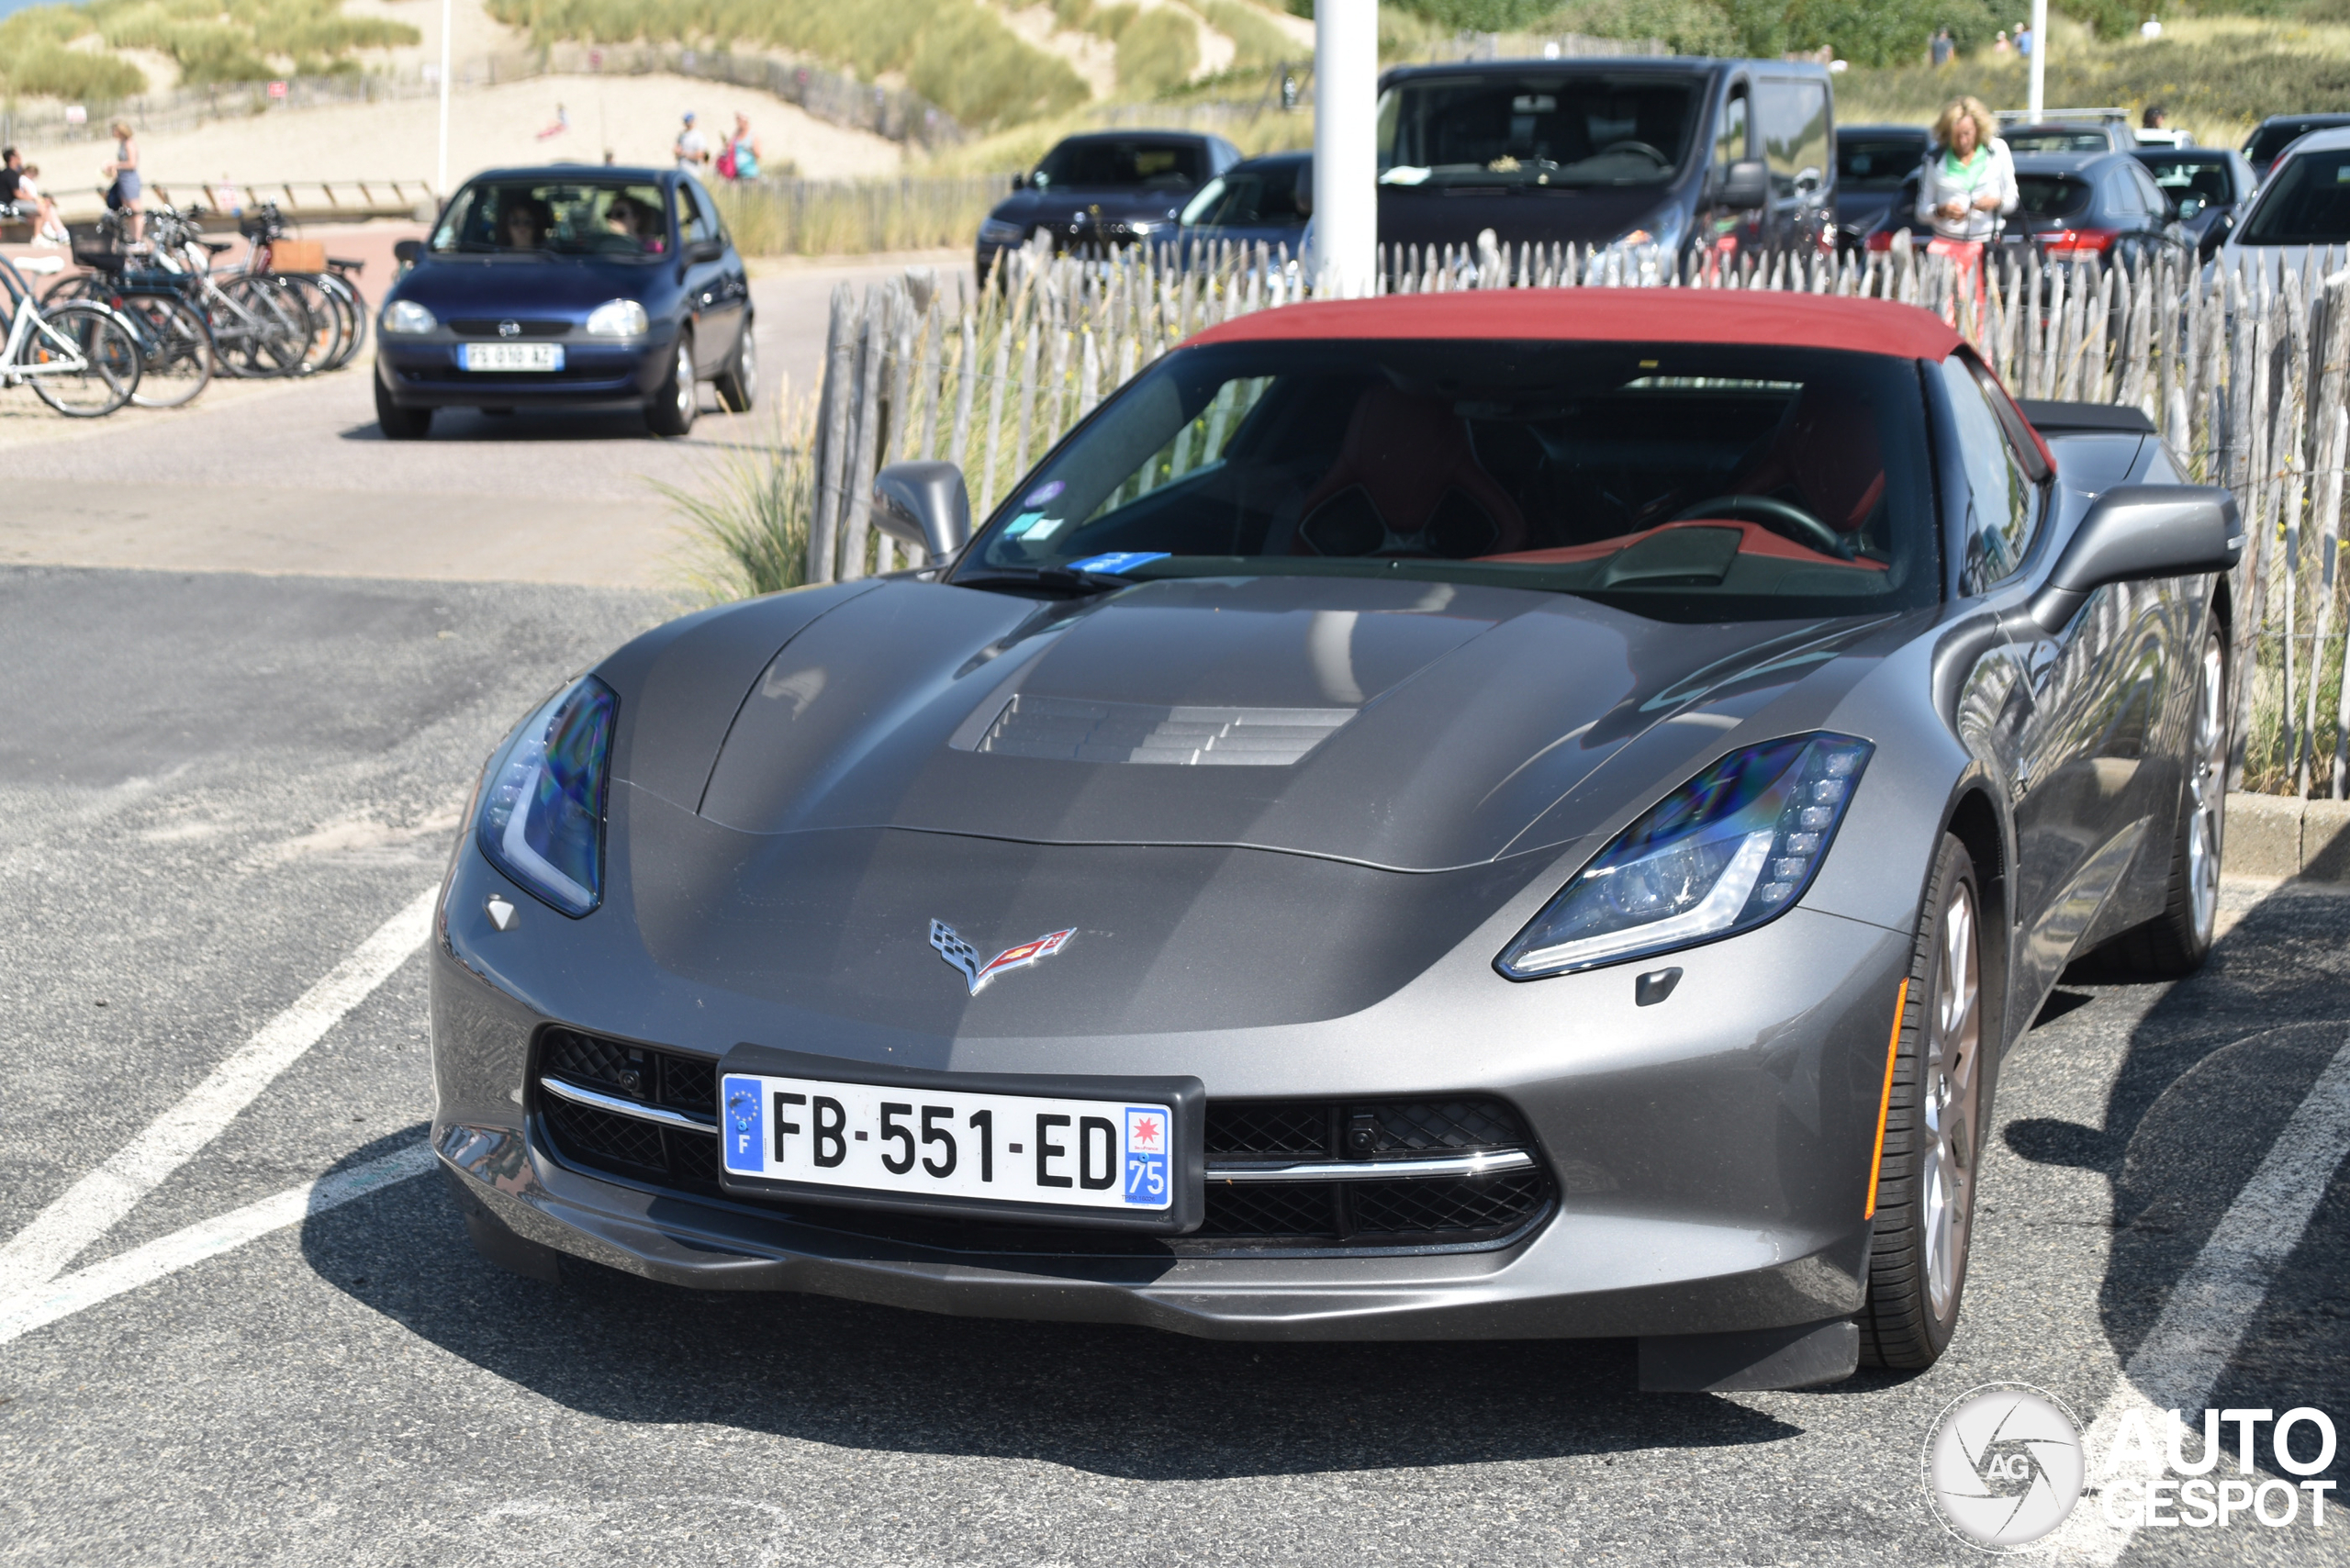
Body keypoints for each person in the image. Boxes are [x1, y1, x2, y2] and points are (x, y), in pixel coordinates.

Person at [1919, 95, 2017, 321]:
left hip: (1984, 246)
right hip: (1946, 247)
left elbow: (2012, 201)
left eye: (1968, 134)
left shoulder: (1998, 152)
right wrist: (1940, 211)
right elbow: (1921, 212)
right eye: (1957, 136)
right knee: (1946, 315)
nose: (1963, 141)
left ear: (1979, 130)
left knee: (1984, 314)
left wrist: (1996, 202)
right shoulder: (1934, 159)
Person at [102, 118, 140, 243]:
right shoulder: (122, 143)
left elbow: (132, 164)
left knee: (136, 210)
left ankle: (137, 238)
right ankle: (132, 237)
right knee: (127, 210)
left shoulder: (129, 143)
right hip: (122, 179)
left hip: (130, 180)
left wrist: (116, 164)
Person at [716, 112, 761, 182]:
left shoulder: (753, 135)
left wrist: (748, 148)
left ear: (746, 120)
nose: (738, 122)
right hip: (736, 173)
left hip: (749, 173)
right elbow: (728, 148)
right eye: (737, 119)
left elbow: (758, 154)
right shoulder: (736, 134)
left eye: (740, 119)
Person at [675, 111, 709, 177]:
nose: (688, 124)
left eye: (690, 122)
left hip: (693, 173)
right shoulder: (682, 135)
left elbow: (700, 155)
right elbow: (677, 150)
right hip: (681, 170)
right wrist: (677, 151)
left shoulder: (699, 136)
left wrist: (684, 154)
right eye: (686, 122)